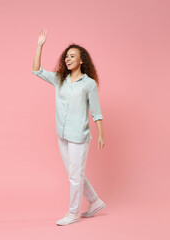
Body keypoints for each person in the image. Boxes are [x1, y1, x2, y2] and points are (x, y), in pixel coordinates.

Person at [31, 29, 106, 226]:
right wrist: (39, 46)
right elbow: (36, 70)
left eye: (72, 56)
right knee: (75, 175)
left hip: (79, 137)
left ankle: (73, 213)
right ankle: (95, 201)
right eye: (66, 56)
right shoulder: (60, 79)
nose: (67, 58)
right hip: (62, 135)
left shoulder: (88, 84)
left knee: (75, 176)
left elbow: (96, 111)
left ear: (82, 60)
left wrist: (100, 135)